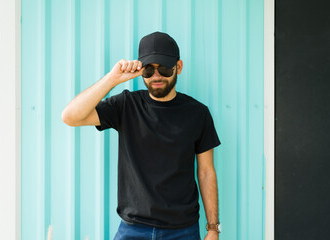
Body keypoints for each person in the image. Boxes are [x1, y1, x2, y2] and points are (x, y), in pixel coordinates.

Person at [62, 31, 221, 240]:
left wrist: (212, 228)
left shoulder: (198, 113)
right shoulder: (126, 105)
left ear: (178, 67)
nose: (156, 76)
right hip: (133, 229)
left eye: (164, 68)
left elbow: (206, 172)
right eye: (148, 69)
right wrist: (112, 79)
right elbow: (70, 116)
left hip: (182, 230)